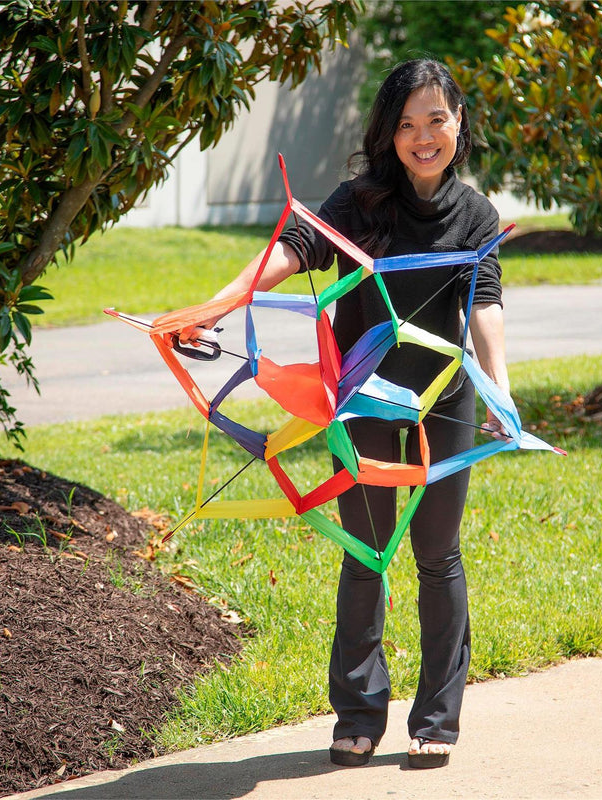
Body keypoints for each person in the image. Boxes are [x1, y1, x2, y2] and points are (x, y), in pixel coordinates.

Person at [180, 59, 510, 770]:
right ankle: (359, 713)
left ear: (459, 122)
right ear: (387, 133)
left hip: (441, 408)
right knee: (365, 556)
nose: (424, 137)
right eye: (407, 125)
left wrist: (499, 392)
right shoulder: (357, 203)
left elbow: (484, 305)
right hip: (358, 406)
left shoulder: (476, 214)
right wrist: (216, 304)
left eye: (437, 120)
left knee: (437, 556)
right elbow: (289, 252)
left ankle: (437, 719)